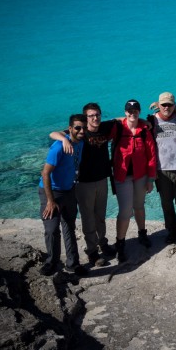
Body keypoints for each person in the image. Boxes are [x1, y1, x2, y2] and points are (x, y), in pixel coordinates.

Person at [50, 103, 118, 267]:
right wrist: (63, 140)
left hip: (102, 180)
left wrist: (147, 122)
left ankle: (103, 243)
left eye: (97, 115)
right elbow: (53, 133)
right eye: (91, 116)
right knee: (88, 218)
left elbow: (122, 119)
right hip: (84, 183)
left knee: (100, 216)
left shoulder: (105, 127)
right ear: (85, 118)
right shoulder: (80, 132)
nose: (95, 118)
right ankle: (92, 251)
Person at [38, 114, 88, 276]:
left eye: (84, 127)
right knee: (52, 229)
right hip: (51, 192)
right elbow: (45, 173)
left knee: (69, 227)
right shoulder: (58, 147)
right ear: (70, 128)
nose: (81, 131)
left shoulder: (81, 142)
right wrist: (50, 201)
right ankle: (52, 262)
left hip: (69, 190)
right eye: (78, 128)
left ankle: (73, 263)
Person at [112, 99, 157, 263]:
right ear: (125, 112)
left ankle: (142, 233)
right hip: (122, 176)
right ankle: (120, 243)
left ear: (139, 111)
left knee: (139, 206)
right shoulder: (118, 128)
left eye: (135, 110)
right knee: (125, 211)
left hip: (141, 175)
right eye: (129, 111)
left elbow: (152, 155)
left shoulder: (144, 130)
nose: (132, 113)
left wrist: (151, 178)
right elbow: (99, 130)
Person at [149, 92, 176, 245]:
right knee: (166, 203)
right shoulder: (152, 120)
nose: (166, 107)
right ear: (158, 105)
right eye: (163, 105)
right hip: (162, 170)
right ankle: (171, 231)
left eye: (170, 104)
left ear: (175, 105)